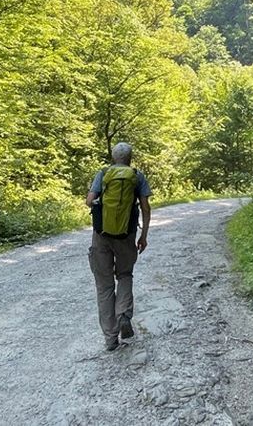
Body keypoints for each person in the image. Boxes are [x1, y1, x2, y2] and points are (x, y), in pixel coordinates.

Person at [86, 142, 151, 351]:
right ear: (130, 158)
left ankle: (111, 339)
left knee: (104, 286)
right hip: (126, 234)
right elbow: (145, 207)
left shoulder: (103, 173)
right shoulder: (137, 176)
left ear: (114, 157)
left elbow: (89, 201)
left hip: (101, 236)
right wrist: (143, 235)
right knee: (124, 275)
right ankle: (123, 314)